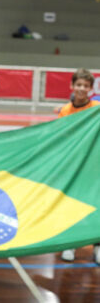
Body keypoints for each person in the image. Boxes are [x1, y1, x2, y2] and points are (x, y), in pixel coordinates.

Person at [58, 68, 99, 264]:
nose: (82, 89)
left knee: (95, 205)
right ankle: (69, 244)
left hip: (94, 166)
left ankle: (97, 246)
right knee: (71, 203)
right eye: (79, 85)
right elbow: (59, 137)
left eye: (86, 86)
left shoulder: (97, 108)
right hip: (74, 166)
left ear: (91, 89)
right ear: (72, 86)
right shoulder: (65, 111)